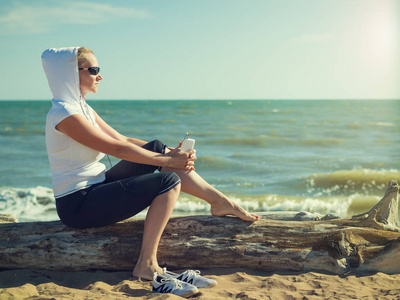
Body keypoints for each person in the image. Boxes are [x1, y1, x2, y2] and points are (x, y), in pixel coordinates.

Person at [41, 47, 259, 283]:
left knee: (155, 146)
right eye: (94, 70)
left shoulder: (81, 108)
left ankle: (219, 201)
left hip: (97, 187)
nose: (100, 76)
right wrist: (169, 162)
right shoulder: (64, 114)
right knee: (168, 181)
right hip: (78, 205)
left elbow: (122, 139)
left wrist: (169, 153)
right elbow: (117, 150)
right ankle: (146, 265)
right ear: (71, 74)